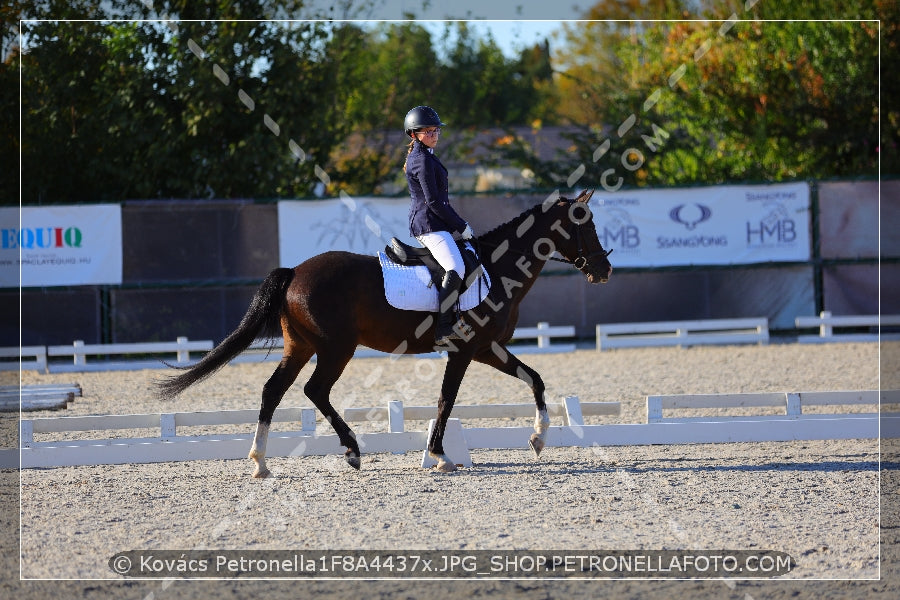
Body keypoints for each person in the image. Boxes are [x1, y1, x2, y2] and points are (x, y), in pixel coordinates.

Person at [403, 105, 475, 346]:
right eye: (428, 131)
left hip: (436, 222)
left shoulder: (427, 156)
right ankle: (444, 327)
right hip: (428, 224)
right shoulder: (421, 160)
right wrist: (461, 225)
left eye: (436, 130)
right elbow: (434, 201)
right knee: (455, 267)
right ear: (414, 134)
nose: (434, 135)